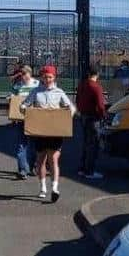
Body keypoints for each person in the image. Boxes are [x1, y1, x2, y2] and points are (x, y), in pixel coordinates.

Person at [20, 65, 75, 202]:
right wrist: (24, 109)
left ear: (54, 77)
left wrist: (67, 115)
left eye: (50, 77)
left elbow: (71, 109)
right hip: (40, 132)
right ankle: (43, 187)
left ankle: (55, 188)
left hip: (55, 132)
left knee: (54, 160)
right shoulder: (36, 92)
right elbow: (24, 105)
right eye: (45, 77)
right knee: (40, 161)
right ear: (42, 78)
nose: (48, 79)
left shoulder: (59, 92)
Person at [76, 67, 107, 179]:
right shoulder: (96, 87)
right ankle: (90, 171)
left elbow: (78, 100)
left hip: (83, 116)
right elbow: (100, 105)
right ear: (97, 74)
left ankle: (82, 168)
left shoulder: (82, 85)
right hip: (93, 118)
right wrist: (103, 116)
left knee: (85, 143)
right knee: (93, 145)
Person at [10, 65, 39, 180]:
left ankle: (32, 166)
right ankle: (22, 169)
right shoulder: (17, 86)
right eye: (21, 74)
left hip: (34, 118)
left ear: (29, 73)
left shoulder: (36, 84)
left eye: (25, 74)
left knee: (33, 144)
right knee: (21, 144)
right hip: (21, 119)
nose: (23, 77)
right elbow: (13, 97)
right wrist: (11, 98)